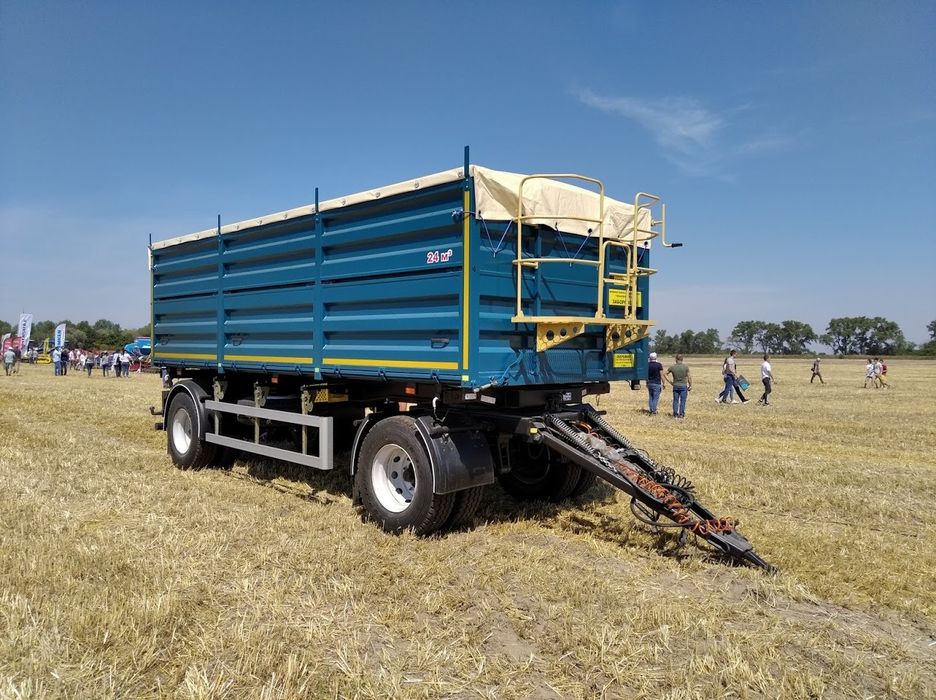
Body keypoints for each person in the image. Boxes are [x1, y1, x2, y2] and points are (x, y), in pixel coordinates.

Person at [666, 354, 691, 418]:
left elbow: (665, 374)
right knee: (683, 401)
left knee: (675, 400)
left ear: (676, 359)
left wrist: (670, 382)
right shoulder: (685, 367)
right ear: (682, 359)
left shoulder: (672, 367)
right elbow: (689, 377)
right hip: (683, 386)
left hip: (675, 385)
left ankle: (675, 414)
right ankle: (681, 414)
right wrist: (690, 385)